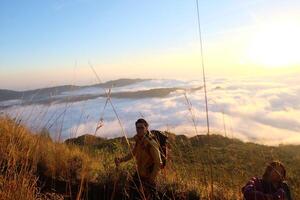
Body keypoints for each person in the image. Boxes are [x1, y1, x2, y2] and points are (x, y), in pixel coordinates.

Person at [115, 118, 162, 200]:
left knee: (151, 196)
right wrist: (121, 160)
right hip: (139, 174)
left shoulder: (151, 143)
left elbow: (158, 162)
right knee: (133, 194)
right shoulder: (139, 141)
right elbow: (132, 154)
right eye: (137, 128)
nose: (139, 130)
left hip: (149, 176)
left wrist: (151, 178)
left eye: (142, 128)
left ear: (146, 128)